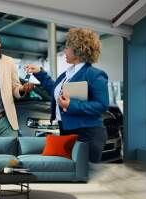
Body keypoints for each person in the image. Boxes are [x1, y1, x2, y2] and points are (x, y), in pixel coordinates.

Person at [24, 28, 109, 163]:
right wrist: (40, 72)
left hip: (87, 133)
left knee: (82, 175)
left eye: (67, 47)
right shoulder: (67, 74)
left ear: (78, 49)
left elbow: (102, 105)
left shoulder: (95, 74)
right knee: (70, 171)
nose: (65, 50)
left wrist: (71, 105)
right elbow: (54, 90)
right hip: (67, 130)